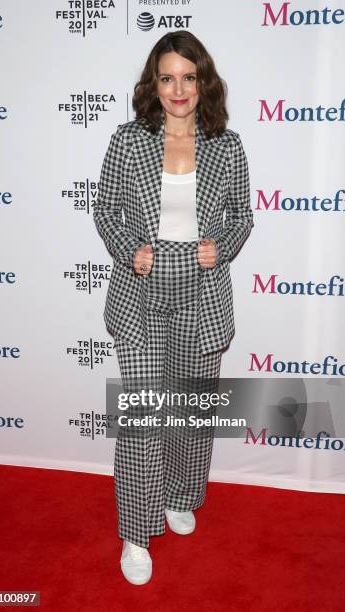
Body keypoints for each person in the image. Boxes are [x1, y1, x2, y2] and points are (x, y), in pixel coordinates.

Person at [93, 30, 254, 585]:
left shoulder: (227, 146)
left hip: (203, 291)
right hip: (140, 288)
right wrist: (126, 250)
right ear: (153, 84)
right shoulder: (127, 141)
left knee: (188, 411)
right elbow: (105, 208)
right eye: (167, 77)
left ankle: (180, 493)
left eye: (189, 77)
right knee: (142, 417)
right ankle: (136, 534)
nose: (178, 89)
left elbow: (242, 216)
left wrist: (223, 246)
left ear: (202, 82)